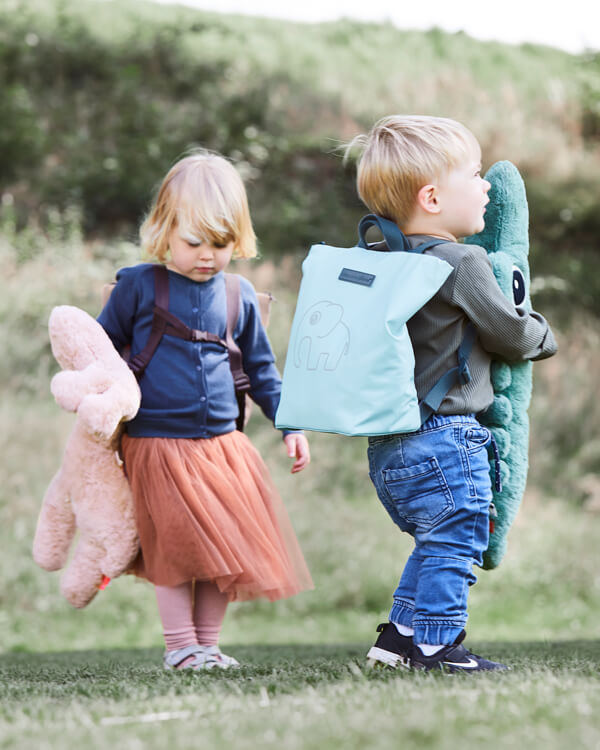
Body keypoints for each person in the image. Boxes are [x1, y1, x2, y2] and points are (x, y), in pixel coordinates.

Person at [345, 115, 557, 672]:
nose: (485, 185)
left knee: (434, 539)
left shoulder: (381, 260)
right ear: (434, 197)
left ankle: (397, 639)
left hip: (390, 443)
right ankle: (438, 646)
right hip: (448, 438)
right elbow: (510, 334)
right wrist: (542, 332)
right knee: (456, 539)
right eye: (475, 173)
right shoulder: (463, 262)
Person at [98, 151, 312, 671]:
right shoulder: (139, 287)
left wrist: (290, 424)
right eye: (194, 242)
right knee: (176, 547)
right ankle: (179, 647)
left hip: (223, 446)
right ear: (164, 230)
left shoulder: (237, 295)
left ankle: (208, 646)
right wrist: (97, 414)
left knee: (225, 547)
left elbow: (262, 371)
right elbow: (99, 352)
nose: (206, 256)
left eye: (220, 245)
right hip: (156, 442)